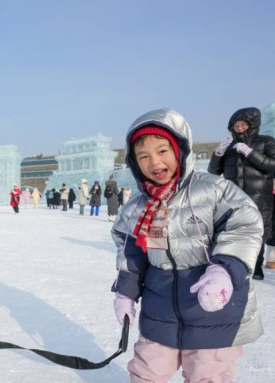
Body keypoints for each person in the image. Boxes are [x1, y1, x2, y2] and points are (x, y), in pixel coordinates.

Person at [112, 108, 263, 381]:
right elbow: (130, 253)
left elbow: (244, 226)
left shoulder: (213, 189)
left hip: (212, 309)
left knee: (209, 374)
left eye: (162, 151)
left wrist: (224, 271)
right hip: (160, 310)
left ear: (180, 150)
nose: (154, 161)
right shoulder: (137, 207)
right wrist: (125, 293)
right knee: (146, 372)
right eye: (143, 156)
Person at [208, 107, 275, 280]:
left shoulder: (267, 142)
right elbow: (213, 171)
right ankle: (234, 265)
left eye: (243, 124)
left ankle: (256, 266)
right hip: (233, 198)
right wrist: (218, 154)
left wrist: (250, 153)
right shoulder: (230, 147)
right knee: (231, 231)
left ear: (252, 125)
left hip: (260, 197)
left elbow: (273, 166)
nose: (239, 128)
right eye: (236, 125)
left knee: (259, 232)